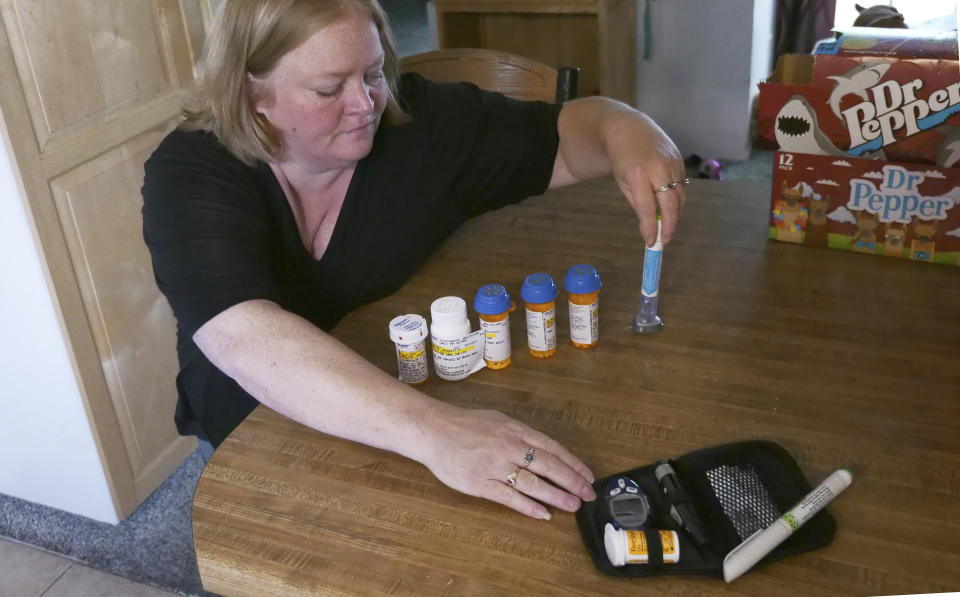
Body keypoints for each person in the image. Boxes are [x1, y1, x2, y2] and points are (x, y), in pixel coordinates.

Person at [141, 0, 687, 521]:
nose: (365, 104)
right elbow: (244, 337)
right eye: (329, 88)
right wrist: (441, 433)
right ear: (250, 91)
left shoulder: (419, 128)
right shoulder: (193, 170)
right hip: (254, 425)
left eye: (374, 74)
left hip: (391, 393)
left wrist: (627, 128)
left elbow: (565, 140)